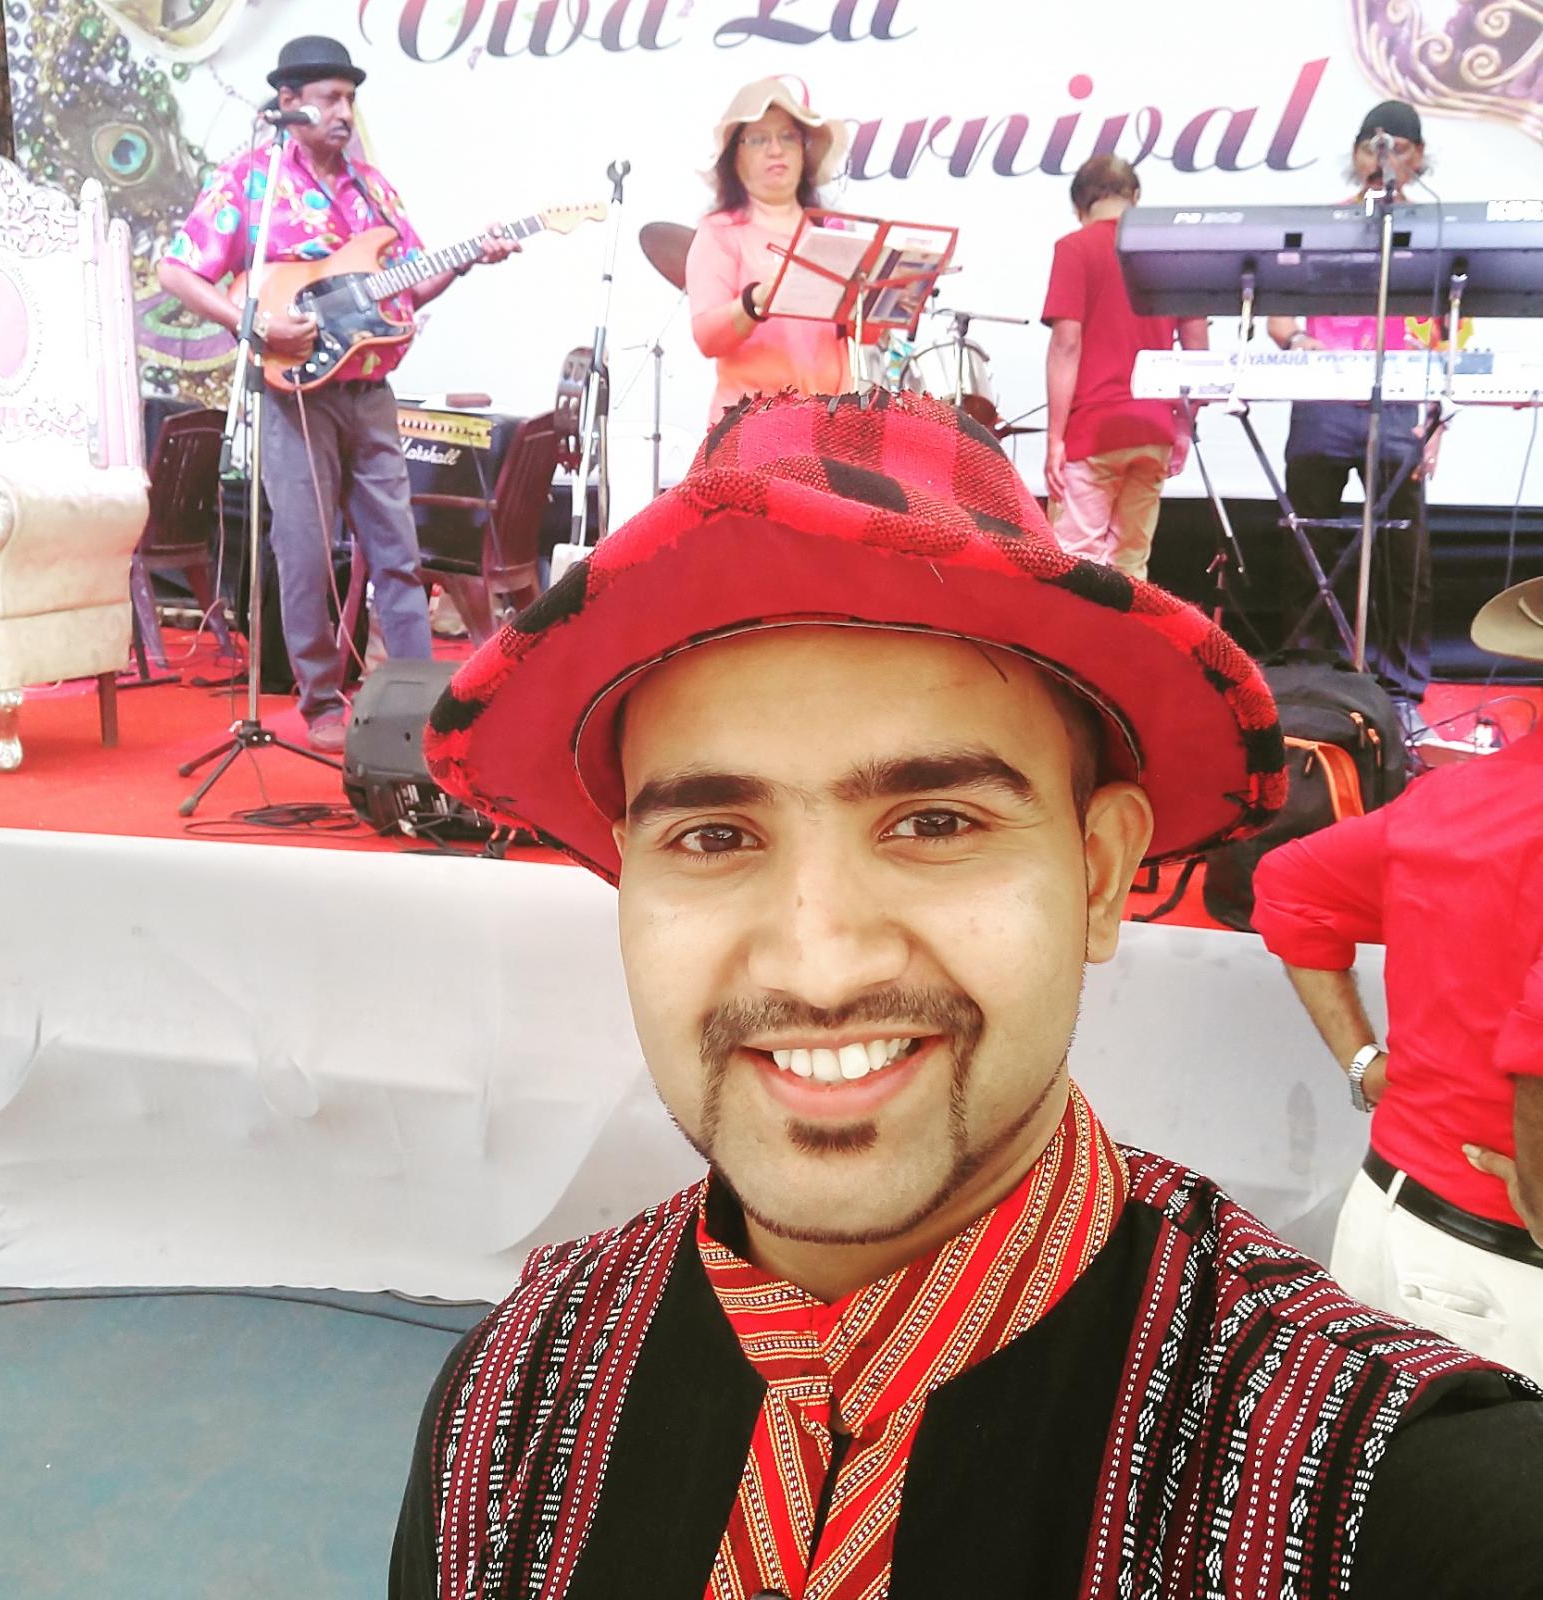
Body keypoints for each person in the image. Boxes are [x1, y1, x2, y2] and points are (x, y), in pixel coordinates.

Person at [390, 391, 1543, 1600]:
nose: (820, 964)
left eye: (935, 822)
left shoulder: (1413, 1505)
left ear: (1097, 874)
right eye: (715, 836)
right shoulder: (507, 1403)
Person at [156, 35, 517, 752]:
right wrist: (252, 321)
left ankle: (418, 700)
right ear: (289, 103)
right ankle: (321, 699)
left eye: (350, 98)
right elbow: (177, 270)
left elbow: (407, 285)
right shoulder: (252, 180)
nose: (345, 112)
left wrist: (467, 260)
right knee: (304, 550)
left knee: (399, 552)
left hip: (370, 391)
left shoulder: (371, 188)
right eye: (329, 98)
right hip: (294, 396)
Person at [1251, 574, 1543, 1384]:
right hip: (1504, 1276)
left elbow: (1289, 885)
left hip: (1393, 1223)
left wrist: (1362, 1065)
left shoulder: (1449, 799)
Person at [1266, 100, 1450, 735]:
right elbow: (1279, 315)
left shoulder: (1434, 231)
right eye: (1372, 145)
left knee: (1404, 554)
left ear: (1417, 158)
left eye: (1396, 147)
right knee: (1307, 541)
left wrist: (1439, 421)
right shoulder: (1326, 224)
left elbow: (1449, 335)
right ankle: (1307, 676)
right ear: (1355, 154)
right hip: (1322, 400)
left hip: (1398, 404)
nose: (1383, 158)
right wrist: (1299, 342)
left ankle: (1401, 690)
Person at [1041, 153, 1208, 579]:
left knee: (1077, 562)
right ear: (1135, 196)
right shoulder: (1171, 250)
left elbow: (1066, 344)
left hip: (1093, 430)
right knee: (1131, 564)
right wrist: (1184, 425)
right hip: (1154, 429)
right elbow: (1197, 346)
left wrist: (1055, 439)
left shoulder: (1075, 247)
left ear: (1078, 205)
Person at [686, 77, 851, 426]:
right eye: (759, 139)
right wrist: (756, 301)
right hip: (749, 426)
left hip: (829, 426)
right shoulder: (720, 232)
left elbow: (864, 333)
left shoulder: (830, 232)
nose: (776, 150)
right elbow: (707, 337)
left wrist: (890, 300)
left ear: (804, 152)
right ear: (735, 157)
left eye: (788, 137)